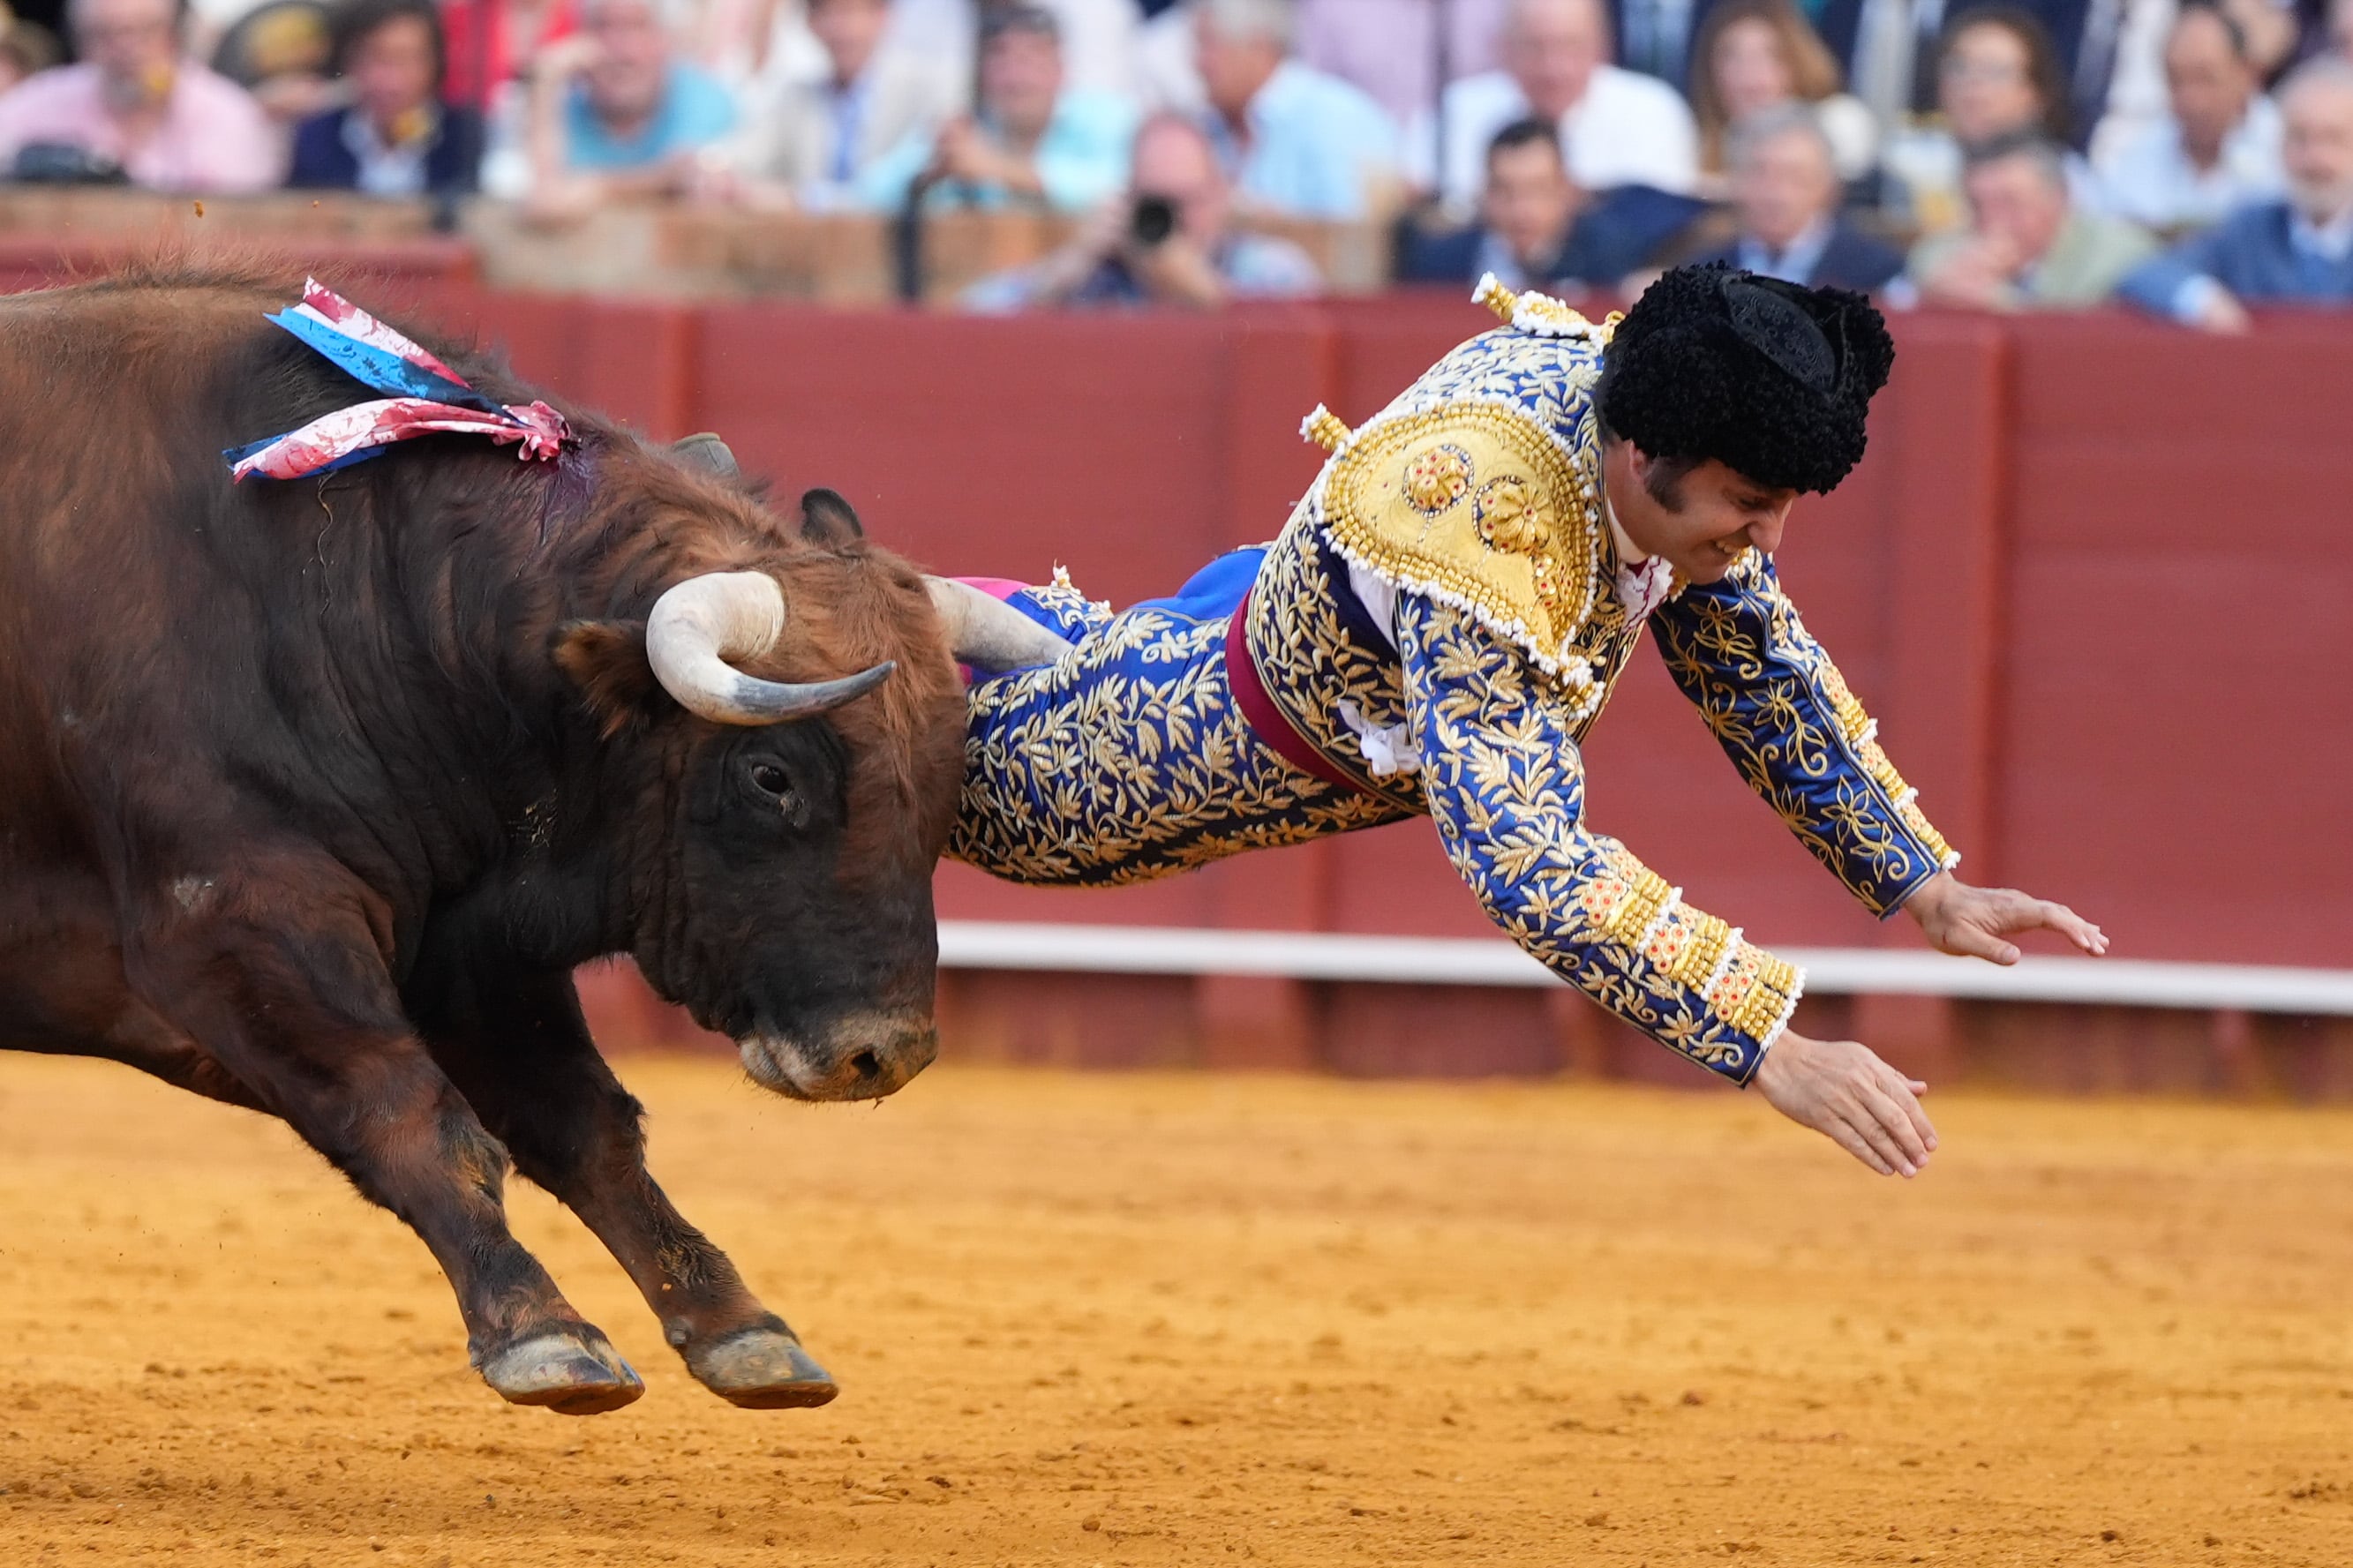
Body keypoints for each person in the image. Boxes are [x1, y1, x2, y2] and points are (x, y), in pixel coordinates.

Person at [939, 265, 2105, 1177]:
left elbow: (1749, 662)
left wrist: (1922, 887)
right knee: (953, 788)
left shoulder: (1635, 399)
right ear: (1645, 458)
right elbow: (1523, 856)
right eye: (1749, 508)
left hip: (1273, 619)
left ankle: (901, 609)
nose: (1768, 542)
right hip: (1190, 744)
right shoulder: (1492, 530)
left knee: (1058, 652)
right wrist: (1770, 1045)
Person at [963, 109, 1322, 307]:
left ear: (1219, 197)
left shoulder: (1265, 270)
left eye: (1185, 201)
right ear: (1130, 199)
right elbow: (978, 317)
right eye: (1157, 203)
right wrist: (1067, 269)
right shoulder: (1102, 277)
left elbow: (1297, 338)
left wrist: (1208, 296)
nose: (1173, 220)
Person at [2119, 56, 2353, 325]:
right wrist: (2203, 299)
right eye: (2299, 138)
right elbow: (2147, 272)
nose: (2315, 159)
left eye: (2333, 139)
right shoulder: (2252, 230)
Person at [1410, 0, 1702, 210]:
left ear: (1603, 47)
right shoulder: (1454, 116)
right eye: (1535, 47)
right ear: (1502, 47)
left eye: (1569, 46)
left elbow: (1675, 229)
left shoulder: (1654, 113)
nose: (1553, 68)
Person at [856, 4, 1136, 212]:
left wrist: (998, 170)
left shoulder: (1109, 118)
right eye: (1001, 60)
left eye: (1031, 59)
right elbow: (870, 192)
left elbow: (1124, 192)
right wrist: (931, 171)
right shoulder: (965, 130)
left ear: (1060, 69)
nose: (1016, 77)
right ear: (983, 75)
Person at [0, 0, 281, 189]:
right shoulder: (41, 102)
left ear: (175, 36)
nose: (126, 48)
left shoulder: (228, 113)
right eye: (105, 34)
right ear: (81, 41)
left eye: (145, 31)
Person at [1401, 116, 1705, 290]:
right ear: (1484, 194)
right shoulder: (1438, 264)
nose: (1521, 210)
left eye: (1537, 190)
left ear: (1568, 192)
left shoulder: (1612, 259)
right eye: (1505, 191)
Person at [725, 0, 961, 209]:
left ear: (882, 14)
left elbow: (889, 192)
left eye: (848, 10)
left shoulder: (924, 93)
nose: (839, 28)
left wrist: (796, 198)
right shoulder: (797, 99)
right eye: (826, 12)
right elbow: (740, 158)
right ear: (810, 22)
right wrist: (711, 172)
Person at [1191, 0, 1401, 220]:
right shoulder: (1208, 127)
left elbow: (1357, 239)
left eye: (1209, 43)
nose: (1199, 62)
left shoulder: (1335, 118)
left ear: (1258, 43)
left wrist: (1267, 226)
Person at [525, 0, 739, 213]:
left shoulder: (705, 102)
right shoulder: (559, 106)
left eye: (637, 27)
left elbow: (709, 184)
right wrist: (546, 82)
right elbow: (544, 203)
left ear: (666, 39)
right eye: (603, 27)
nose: (621, 50)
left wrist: (598, 189)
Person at [1906, 128, 2159, 304]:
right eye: (1978, 206)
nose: (1994, 222)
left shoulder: (2117, 255)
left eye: (2010, 203)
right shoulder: (1938, 254)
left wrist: (2004, 306)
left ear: (2060, 198)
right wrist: (1935, 295)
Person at [2095, 3, 2284, 230]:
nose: (2191, 99)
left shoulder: (2286, 147)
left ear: (2247, 74)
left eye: (2205, 78)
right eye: (2177, 80)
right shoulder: (2140, 154)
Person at [1692, 103, 1909, 288]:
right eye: (1759, 174)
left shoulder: (1877, 273)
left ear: (1828, 186)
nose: (1775, 194)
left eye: (1795, 177)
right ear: (1735, 181)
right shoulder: (1701, 274)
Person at [287, 0, 487, 197]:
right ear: (348, 60)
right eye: (376, 58)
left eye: (406, 59)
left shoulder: (465, 135)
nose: (392, 81)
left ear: (436, 62)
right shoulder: (317, 136)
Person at [1688, 0, 1880, 193]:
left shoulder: (1839, 122)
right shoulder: (1697, 144)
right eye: (1731, 56)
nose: (1748, 73)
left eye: (1768, 55)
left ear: (1797, 60)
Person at [1297, 0, 1514, 127]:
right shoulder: (1331, 7)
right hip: (1367, 171)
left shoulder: (1493, 7)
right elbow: (1313, 99)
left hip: (1477, 171)